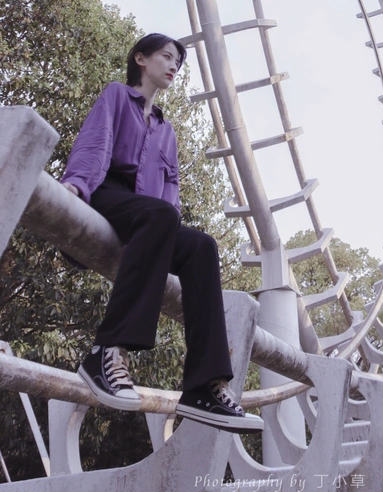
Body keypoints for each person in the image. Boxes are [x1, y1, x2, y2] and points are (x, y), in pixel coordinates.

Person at [61, 32, 263, 434]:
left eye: (178, 63)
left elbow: (170, 193)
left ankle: (203, 386)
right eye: (167, 57)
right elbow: (96, 142)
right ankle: (107, 350)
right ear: (141, 58)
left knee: (201, 246)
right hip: (105, 192)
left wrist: (171, 237)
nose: (174, 66)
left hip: (148, 216)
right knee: (160, 216)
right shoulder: (117, 95)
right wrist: (76, 187)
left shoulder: (166, 130)